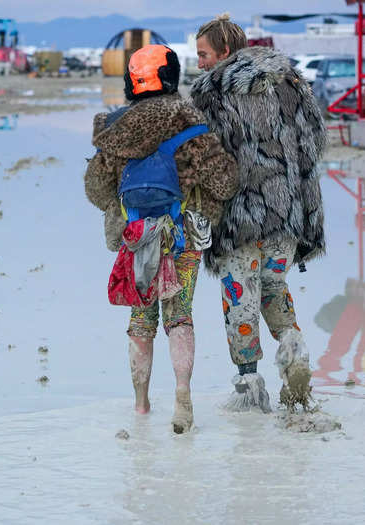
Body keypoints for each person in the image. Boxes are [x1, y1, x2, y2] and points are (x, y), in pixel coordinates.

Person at [84, 45, 239, 433]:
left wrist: (125, 216)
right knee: (179, 315)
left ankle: (140, 406)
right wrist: (203, 206)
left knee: (140, 320)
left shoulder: (114, 126)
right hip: (182, 236)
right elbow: (224, 180)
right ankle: (183, 397)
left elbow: (95, 188)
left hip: (134, 238)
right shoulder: (188, 120)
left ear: (131, 81)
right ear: (170, 76)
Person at [190, 15, 327, 411]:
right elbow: (313, 145)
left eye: (203, 54)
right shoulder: (291, 83)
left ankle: (250, 386)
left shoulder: (212, 93)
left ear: (225, 52)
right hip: (287, 214)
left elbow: (204, 162)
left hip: (239, 218)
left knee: (240, 299)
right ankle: (294, 349)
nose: (199, 63)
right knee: (274, 289)